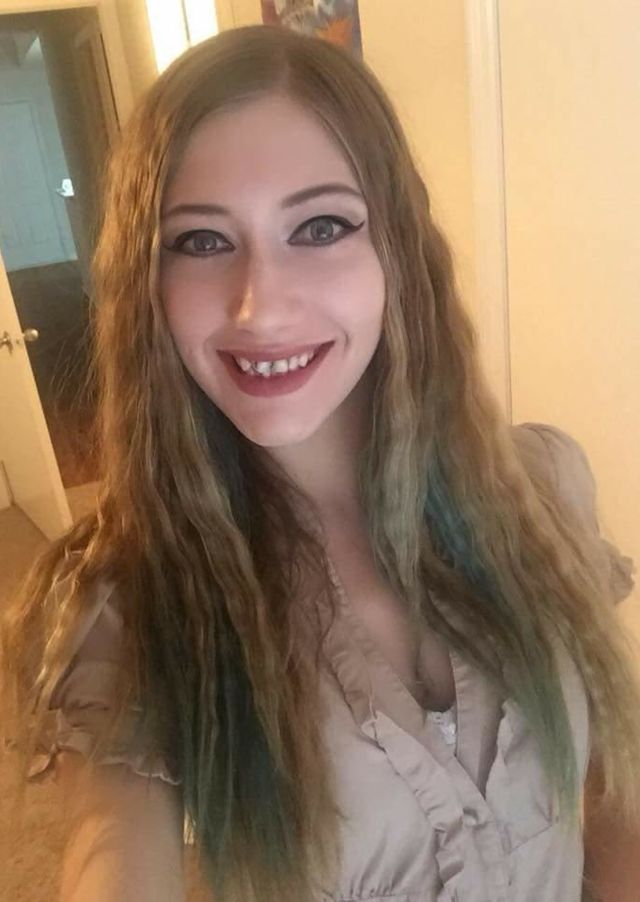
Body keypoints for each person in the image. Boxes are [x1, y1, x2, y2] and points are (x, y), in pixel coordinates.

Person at [1, 24, 639, 902]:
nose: (259, 308)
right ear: (146, 286)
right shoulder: (129, 605)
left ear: (397, 251)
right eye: (201, 241)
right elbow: (107, 855)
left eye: (321, 226)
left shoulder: (541, 491)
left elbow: (614, 787)